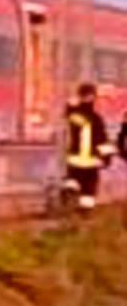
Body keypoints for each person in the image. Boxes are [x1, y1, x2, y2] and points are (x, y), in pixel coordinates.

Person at [63, 83, 114, 212]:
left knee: (72, 180)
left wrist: (75, 101)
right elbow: (103, 140)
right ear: (92, 98)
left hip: (75, 159)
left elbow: (69, 109)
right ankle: (83, 213)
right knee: (88, 190)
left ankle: (69, 191)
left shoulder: (74, 115)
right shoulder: (96, 119)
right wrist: (107, 158)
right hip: (91, 161)